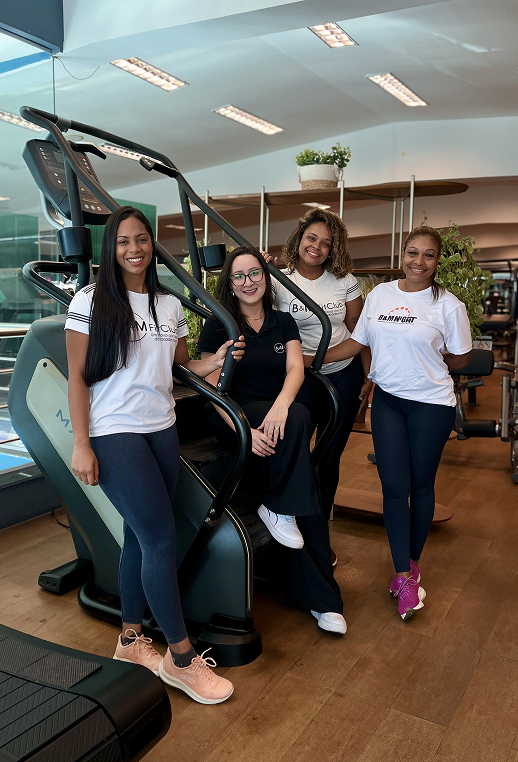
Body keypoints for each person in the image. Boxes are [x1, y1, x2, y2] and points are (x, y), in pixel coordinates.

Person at [65, 206, 245, 704]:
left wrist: (217, 359)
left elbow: (179, 366)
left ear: (153, 245)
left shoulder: (168, 305)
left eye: (141, 239)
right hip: (113, 432)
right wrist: (81, 442)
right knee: (161, 538)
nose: (134, 249)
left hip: (161, 429)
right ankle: (181, 659)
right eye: (123, 241)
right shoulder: (90, 300)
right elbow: (77, 377)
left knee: (139, 536)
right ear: (111, 248)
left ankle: (130, 640)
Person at [319, 225, 472, 619]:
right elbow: (358, 342)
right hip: (387, 400)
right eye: (412, 252)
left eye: (428, 255)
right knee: (393, 487)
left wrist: (426, 363)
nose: (419, 261)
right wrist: (309, 361)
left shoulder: (449, 306)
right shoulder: (381, 295)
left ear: (437, 261)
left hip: (431, 404)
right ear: (402, 255)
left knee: (420, 486)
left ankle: (411, 565)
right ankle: (403, 574)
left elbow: (461, 357)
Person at [197, 246, 346, 635]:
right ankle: (322, 598)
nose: (248, 282)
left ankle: (321, 596)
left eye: (255, 273)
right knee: (300, 423)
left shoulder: (282, 321)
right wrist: (245, 432)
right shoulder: (220, 325)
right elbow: (212, 388)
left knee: (300, 448)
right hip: (233, 415)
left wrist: (281, 406)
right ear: (229, 283)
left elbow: (296, 368)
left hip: (275, 417)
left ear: (266, 277)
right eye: (239, 275)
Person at [263, 209, 372, 547]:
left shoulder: (345, 281)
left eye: (326, 243)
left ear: (333, 249)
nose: (317, 247)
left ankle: (319, 538)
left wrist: (369, 375)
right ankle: (287, 523)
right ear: (299, 239)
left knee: (328, 457)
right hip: (299, 379)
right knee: (294, 452)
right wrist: (259, 267)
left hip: (343, 375)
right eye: (312, 238)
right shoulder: (277, 279)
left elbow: (358, 331)